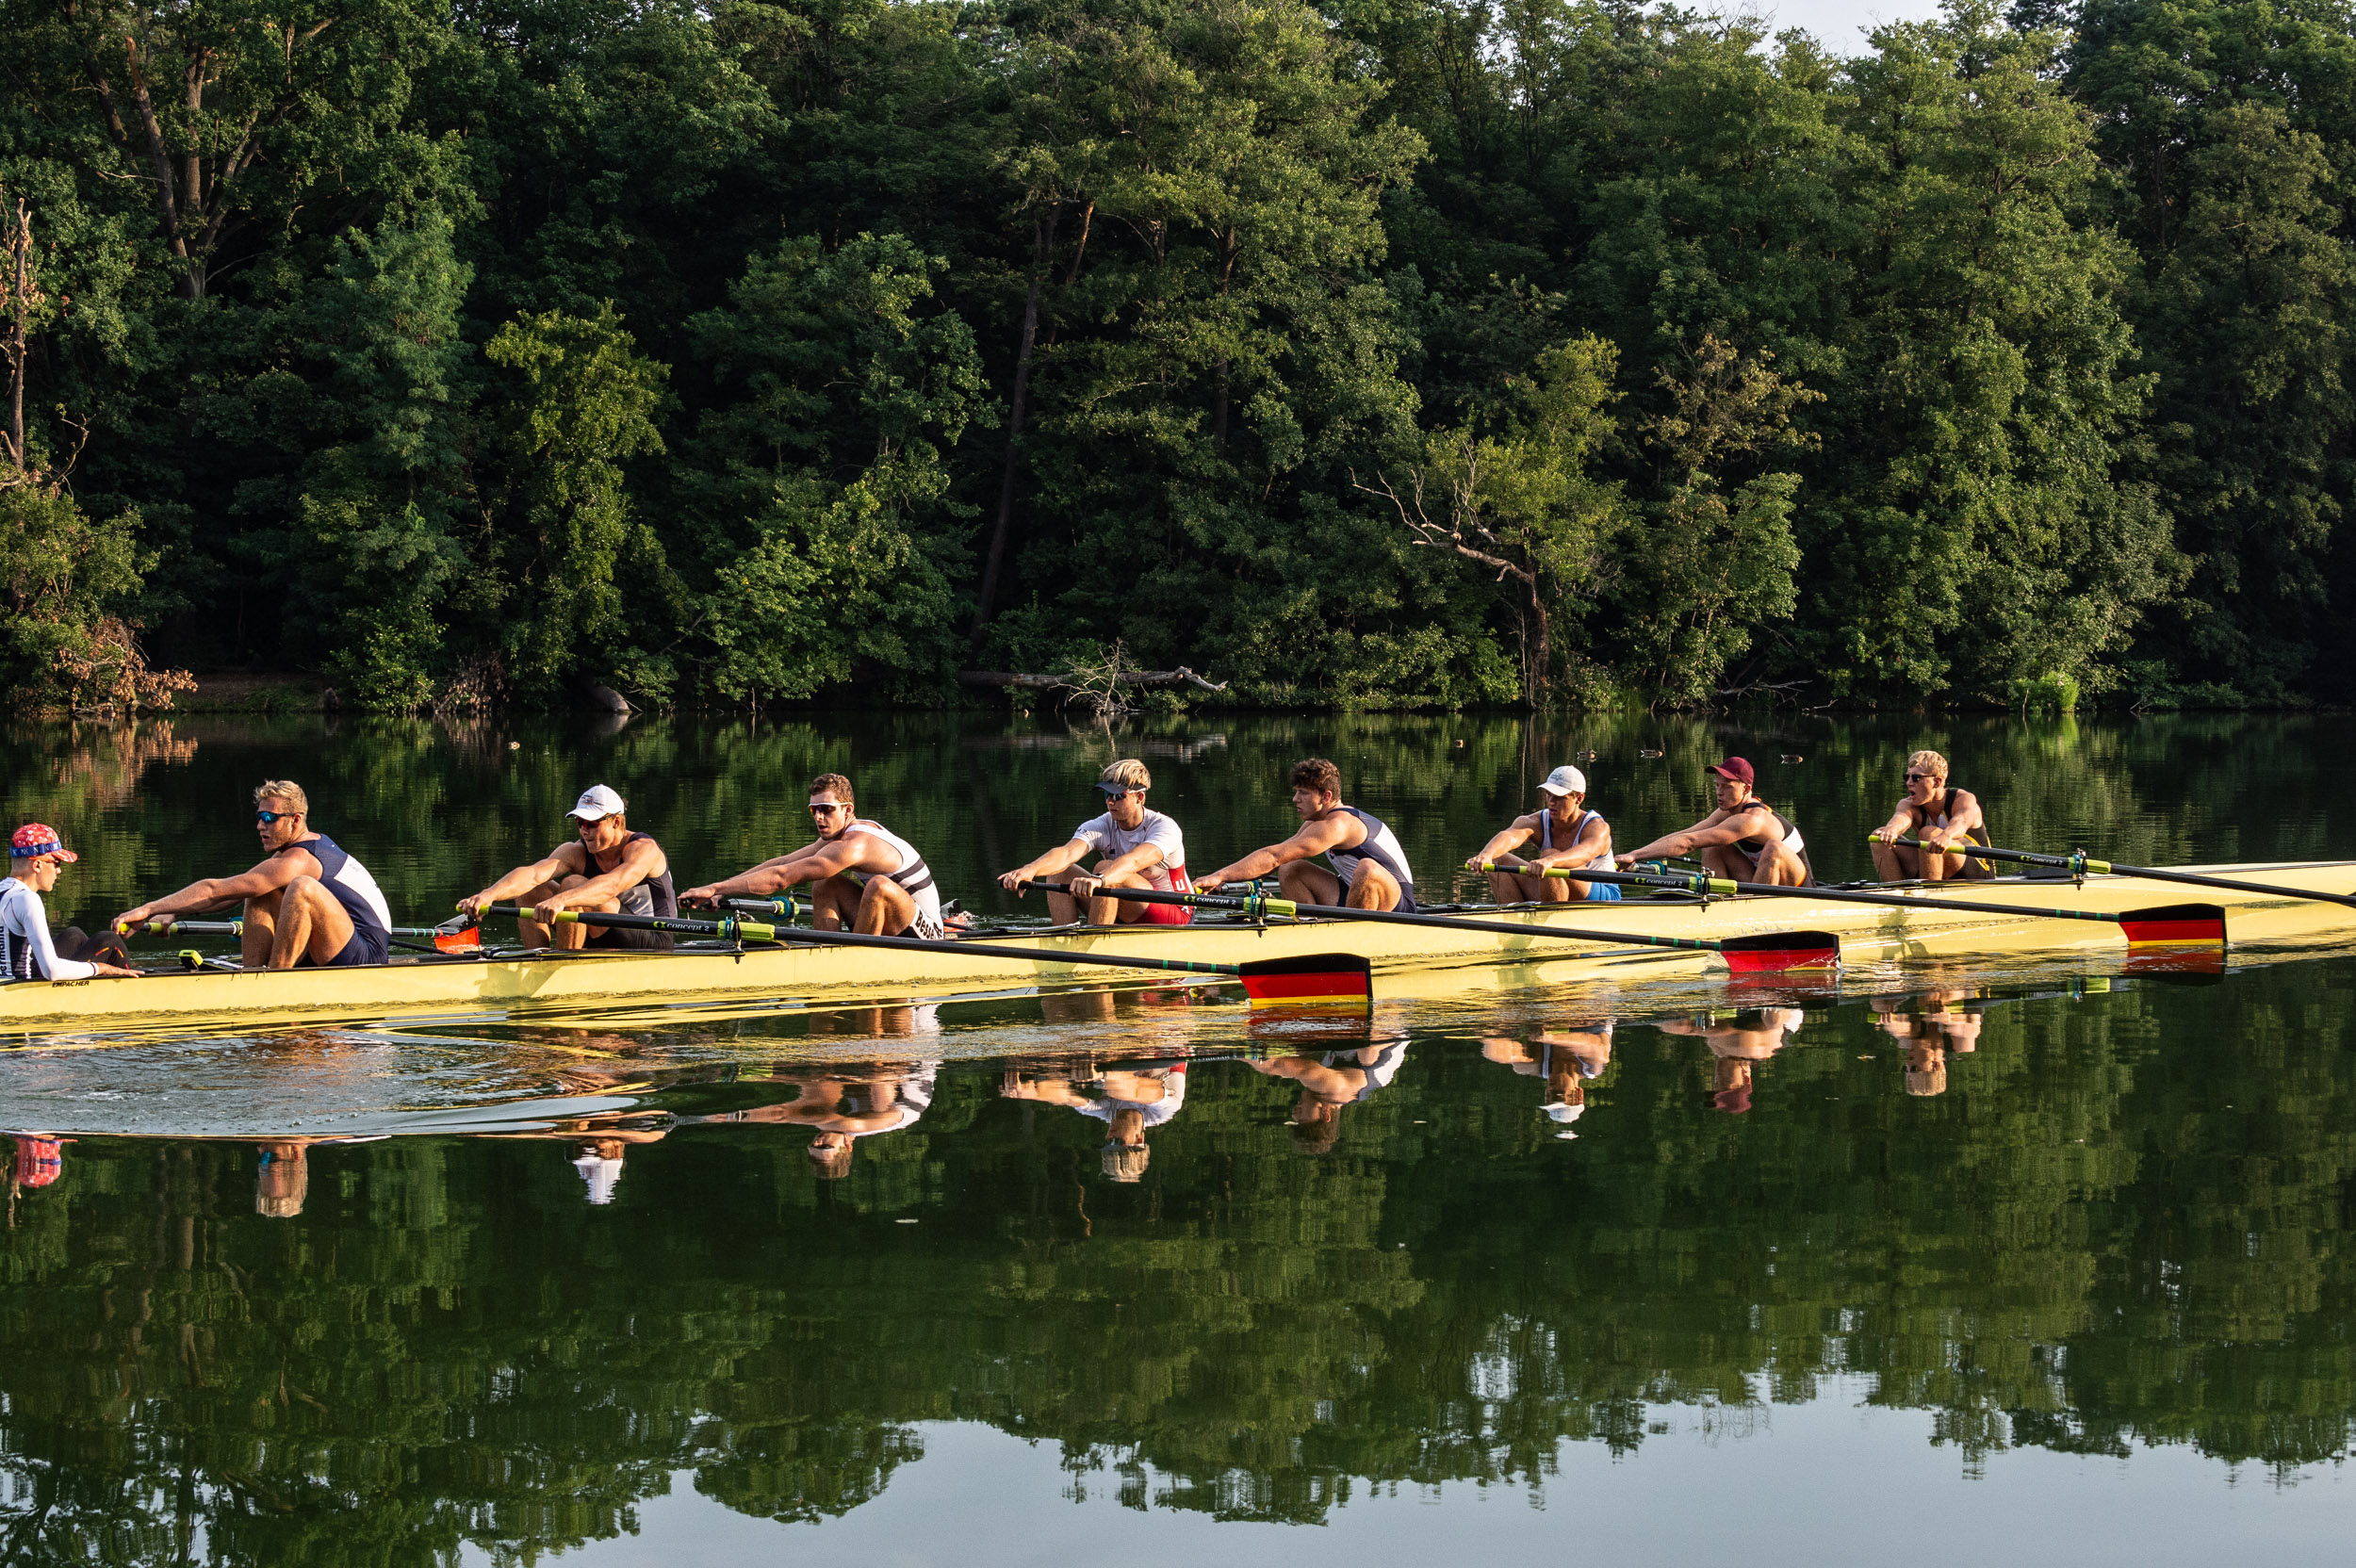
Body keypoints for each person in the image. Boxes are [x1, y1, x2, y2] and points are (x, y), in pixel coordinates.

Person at [112, 782, 393, 970]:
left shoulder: (300, 859)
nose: (260, 825)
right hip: (336, 944)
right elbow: (227, 894)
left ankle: (275, 982)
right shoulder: (289, 855)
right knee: (257, 890)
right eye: (259, 817)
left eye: (270, 819)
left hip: (365, 956)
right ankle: (254, 976)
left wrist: (148, 909)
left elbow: (213, 889)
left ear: (295, 820)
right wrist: (173, 910)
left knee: (302, 888)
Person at [679, 773, 945, 939]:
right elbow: (783, 864)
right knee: (824, 881)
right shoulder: (838, 835)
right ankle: (825, 949)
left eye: (826, 809)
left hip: (927, 933)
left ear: (847, 809)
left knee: (878, 886)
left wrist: (712, 886)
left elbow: (781, 880)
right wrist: (720, 891)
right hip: (894, 921)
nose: (819, 816)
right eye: (814, 810)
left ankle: (859, 958)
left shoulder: (856, 843)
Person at [457, 785, 678, 951]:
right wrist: (489, 894)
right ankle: (536, 959)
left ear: (616, 822)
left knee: (572, 885)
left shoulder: (644, 850)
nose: (584, 830)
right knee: (533, 889)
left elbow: (612, 885)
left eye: (591, 824)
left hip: (654, 938)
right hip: (601, 928)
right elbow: (533, 874)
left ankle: (565, 961)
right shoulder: (575, 851)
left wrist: (563, 899)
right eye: (579, 823)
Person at [1195, 758, 1416, 911]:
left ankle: (1353, 937)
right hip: (1355, 896)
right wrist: (1225, 877)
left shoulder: (1339, 824)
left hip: (1398, 906)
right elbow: (1276, 858)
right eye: (1296, 792)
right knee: (1291, 867)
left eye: (1303, 793)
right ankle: (1307, 929)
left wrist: (1220, 876)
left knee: (1367, 868)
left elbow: (1273, 856)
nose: (1295, 799)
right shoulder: (1316, 821)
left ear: (1326, 796)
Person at [997, 759, 1195, 926]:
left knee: (1105, 868)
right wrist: (1030, 870)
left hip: (1175, 913)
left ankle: (1095, 943)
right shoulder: (1102, 824)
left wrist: (1100, 879)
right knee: (1060, 871)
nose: (1110, 801)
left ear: (1139, 797)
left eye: (1119, 796)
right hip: (1126, 905)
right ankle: (1065, 941)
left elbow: (1133, 862)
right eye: (1106, 794)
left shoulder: (1164, 828)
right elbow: (1066, 853)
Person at [1615, 757, 1810, 887]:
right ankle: (1718, 901)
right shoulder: (1727, 811)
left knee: (1773, 848)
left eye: (1727, 787)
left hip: (1800, 886)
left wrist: (1635, 856)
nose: (1719, 792)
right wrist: (1633, 855)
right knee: (1712, 845)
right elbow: (1686, 835)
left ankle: (1754, 910)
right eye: (1717, 785)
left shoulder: (1753, 819)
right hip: (1764, 877)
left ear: (1746, 789)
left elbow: (1688, 844)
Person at [1001, 1061, 1189, 1182]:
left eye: (1107, 1142)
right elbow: (1136, 1089)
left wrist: (1028, 1093)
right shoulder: (1166, 1109)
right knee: (1112, 1077)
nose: (1109, 1135)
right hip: (1166, 1028)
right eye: (1116, 1141)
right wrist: (1099, 1074)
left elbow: (1071, 1100)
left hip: (1133, 1036)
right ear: (1139, 1139)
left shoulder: (1109, 1114)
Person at [1, 825, 139, 980]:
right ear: (37, 864)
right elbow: (52, 971)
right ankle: (137, 990)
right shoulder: (28, 899)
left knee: (74, 936)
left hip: (6, 984)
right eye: (56, 863)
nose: (59, 871)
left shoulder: (4, 891)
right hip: (19, 993)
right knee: (109, 941)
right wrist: (100, 968)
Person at [1467, 765, 1619, 904]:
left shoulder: (1597, 826)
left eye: (1559, 797)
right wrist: (1486, 854)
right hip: (1558, 889)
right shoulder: (1536, 821)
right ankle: (1514, 920)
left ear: (1579, 798)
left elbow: (1585, 852)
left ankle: (1550, 925)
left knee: (1549, 854)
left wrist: (1551, 860)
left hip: (1604, 894)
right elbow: (1510, 836)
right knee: (1497, 859)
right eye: (1548, 794)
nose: (1551, 802)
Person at [1245, 1037, 1408, 1154]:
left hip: (1357, 1045)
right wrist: (1231, 1052)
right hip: (1389, 1032)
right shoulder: (1334, 1089)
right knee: (1367, 1053)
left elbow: (1289, 1063)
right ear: (1325, 1114)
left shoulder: (1327, 1091)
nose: (1294, 1112)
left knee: (1302, 1047)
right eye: (1302, 1119)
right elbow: (1274, 1065)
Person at [1867, 750, 1991, 883]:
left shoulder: (1963, 799)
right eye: (1906, 777)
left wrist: (1946, 835)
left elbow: (1961, 821)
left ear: (1937, 782)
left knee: (1929, 833)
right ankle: (1894, 893)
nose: (1909, 783)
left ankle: (1928, 896)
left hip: (1977, 871)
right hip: (1931, 866)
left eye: (1916, 778)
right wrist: (1891, 829)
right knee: (1878, 838)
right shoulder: (1908, 804)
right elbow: (1901, 817)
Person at [1481, 1021, 1613, 1137]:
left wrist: (1507, 1052)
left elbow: (1492, 1050)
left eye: (1548, 1096)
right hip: (1590, 1012)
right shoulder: (1592, 1066)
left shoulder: (1534, 1065)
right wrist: (1549, 1037)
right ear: (1579, 1094)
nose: (1550, 1089)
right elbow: (1598, 1048)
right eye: (1557, 1095)